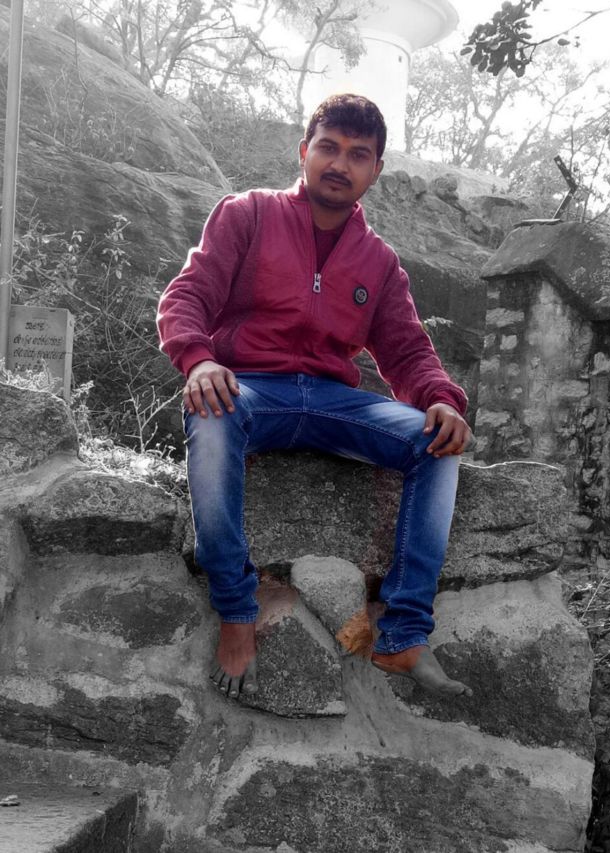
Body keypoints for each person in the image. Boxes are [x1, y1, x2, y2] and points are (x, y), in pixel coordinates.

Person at [157, 93, 472, 701]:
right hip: (251, 390)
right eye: (328, 147)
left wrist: (440, 398)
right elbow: (187, 295)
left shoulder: (379, 262)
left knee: (436, 441)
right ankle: (236, 607)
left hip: (332, 399)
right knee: (213, 415)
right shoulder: (247, 214)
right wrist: (199, 359)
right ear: (304, 151)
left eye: (358, 155)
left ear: (375, 170)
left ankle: (405, 633)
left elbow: (408, 350)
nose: (339, 163)